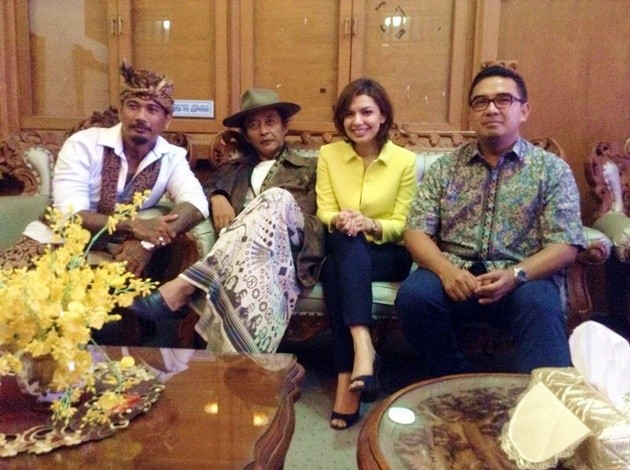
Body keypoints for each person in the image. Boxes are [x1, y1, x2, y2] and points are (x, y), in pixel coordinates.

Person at [394, 65, 586, 379]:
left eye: (503, 100)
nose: (491, 109)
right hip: (456, 275)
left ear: (524, 110)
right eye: (481, 102)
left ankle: (538, 400)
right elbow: (415, 230)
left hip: (523, 277)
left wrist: (515, 275)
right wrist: (446, 271)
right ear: (471, 113)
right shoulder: (446, 167)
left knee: (541, 306)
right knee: (415, 297)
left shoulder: (551, 170)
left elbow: (566, 245)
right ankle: (455, 379)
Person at [130, 89, 325, 354]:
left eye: (270, 122)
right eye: (254, 125)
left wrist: (270, 211)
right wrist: (217, 196)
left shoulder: (310, 168)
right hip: (243, 258)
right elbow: (200, 191)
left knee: (276, 197)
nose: (263, 131)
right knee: (250, 271)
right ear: (246, 134)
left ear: (284, 127)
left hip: (291, 252)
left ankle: (187, 284)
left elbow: (319, 221)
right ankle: (240, 367)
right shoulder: (233, 171)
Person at [0, 62, 209, 276]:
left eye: (152, 109)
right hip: (53, 244)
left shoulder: (172, 157)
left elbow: (197, 204)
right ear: (120, 111)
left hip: (120, 256)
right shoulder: (83, 144)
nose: (140, 116)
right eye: (133, 106)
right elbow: (69, 214)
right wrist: (132, 225)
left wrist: (149, 244)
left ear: (167, 120)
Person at [316, 78, 416, 430]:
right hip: (346, 248)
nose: (357, 121)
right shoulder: (329, 155)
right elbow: (324, 209)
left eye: (366, 112)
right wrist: (340, 219)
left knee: (341, 259)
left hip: (389, 255)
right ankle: (361, 355)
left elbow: (404, 224)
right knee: (342, 251)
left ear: (383, 116)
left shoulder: (404, 161)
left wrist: (371, 224)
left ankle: (351, 369)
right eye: (349, 114)